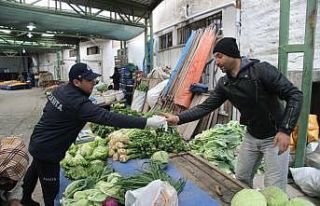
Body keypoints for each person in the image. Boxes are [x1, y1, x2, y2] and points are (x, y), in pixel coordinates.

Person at [163, 37, 303, 191]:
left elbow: (295, 95)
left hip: (274, 137)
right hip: (251, 136)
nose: (216, 61)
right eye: (214, 57)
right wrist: (178, 118)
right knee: (241, 178)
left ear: (232, 54)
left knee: (274, 188)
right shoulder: (225, 84)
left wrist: (285, 130)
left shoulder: (261, 71)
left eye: (219, 56)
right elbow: (206, 107)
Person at [21, 63, 166, 206]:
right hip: (49, 149)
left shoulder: (61, 90)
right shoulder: (78, 103)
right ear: (77, 82)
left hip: (38, 139)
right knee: (50, 190)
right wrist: (146, 122)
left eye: (93, 79)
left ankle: (26, 199)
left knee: (35, 169)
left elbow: (49, 109)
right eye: (89, 80)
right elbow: (108, 118)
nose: (94, 82)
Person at [0, 136, 29, 206]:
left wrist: (15, 200)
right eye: (6, 177)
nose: (11, 181)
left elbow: (19, 186)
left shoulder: (19, 166)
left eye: (15, 177)